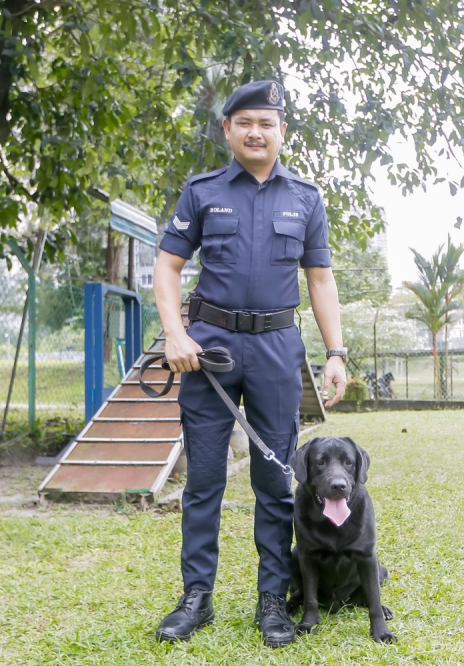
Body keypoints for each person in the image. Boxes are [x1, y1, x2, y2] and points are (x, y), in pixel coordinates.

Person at [152, 80, 348, 647]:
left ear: (282, 129)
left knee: (274, 481)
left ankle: (272, 598)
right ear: (228, 131)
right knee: (205, 481)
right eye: (244, 123)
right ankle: (197, 597)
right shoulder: (202, 191)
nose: (255, 132)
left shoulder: (307, 198)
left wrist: (335, 353)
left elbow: (320, 279)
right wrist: (174, 334)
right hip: (207, 351)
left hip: (276, 349)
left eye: (266, 122)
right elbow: (168, 269)